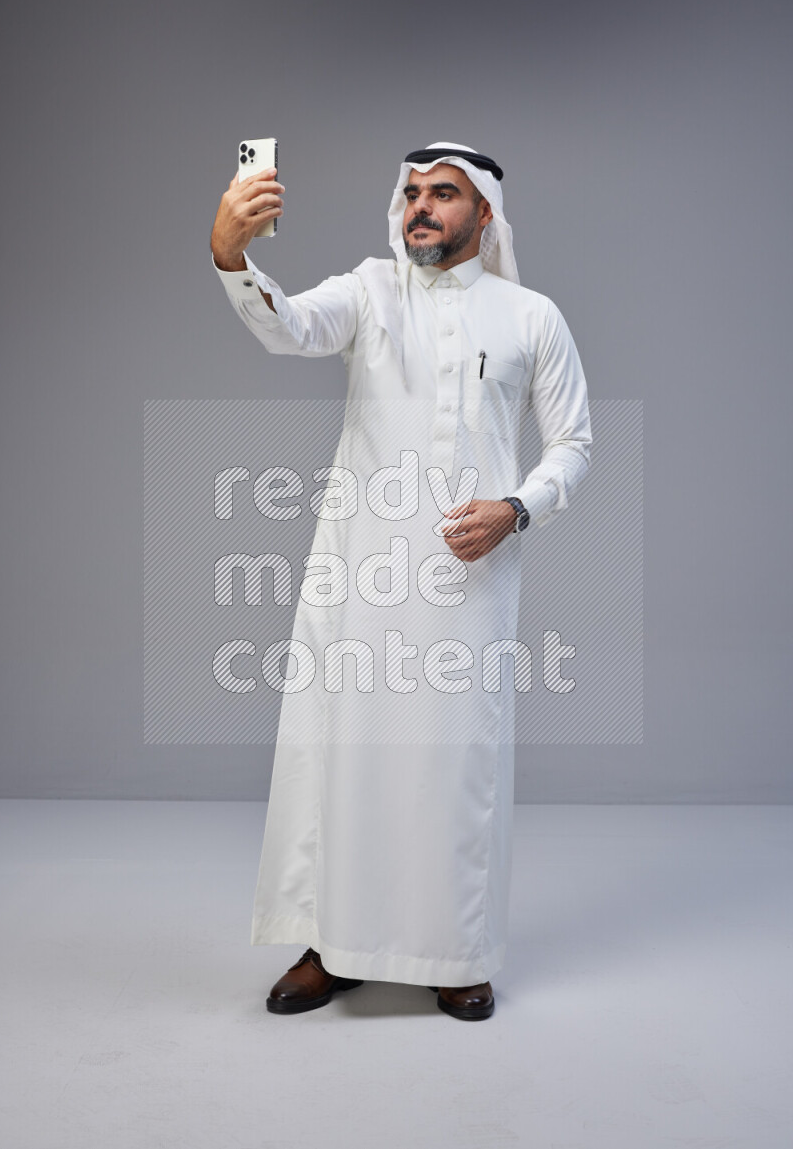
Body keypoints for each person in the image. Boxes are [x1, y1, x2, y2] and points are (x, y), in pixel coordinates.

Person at [210, 141, 592, 1021]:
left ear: (484, 214)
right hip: (363, 573)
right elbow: (290, 325)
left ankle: (454, 949)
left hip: (472, 580)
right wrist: (232, 255)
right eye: (412, 193)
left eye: (444, 194)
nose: (422, 207)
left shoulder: (532, 315)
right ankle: (333, 943)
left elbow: (574, 444)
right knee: (347, 755)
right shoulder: (371, 292)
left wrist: (515, 508)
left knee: (453, 767)